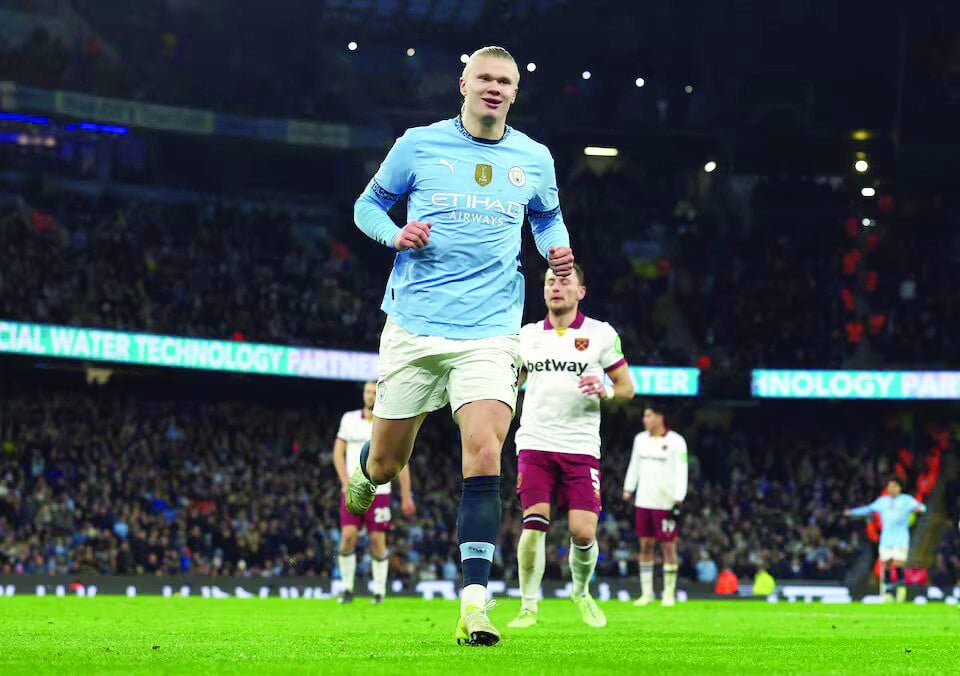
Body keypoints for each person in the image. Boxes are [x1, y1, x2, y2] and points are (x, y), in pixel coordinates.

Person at [348, 45, 574, 646]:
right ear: (463, 84)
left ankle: (475, 602)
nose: (494, 88)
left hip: (492, 332)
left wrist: (557, 247)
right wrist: (395, 234)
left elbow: (547, 218)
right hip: (415, 329)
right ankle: (367, 473)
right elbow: (366, 206)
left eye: (505, 81)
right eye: (485, 78)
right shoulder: (418, 144)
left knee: (484, 453)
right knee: (387, 462)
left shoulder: (535, 157)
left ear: (515, 92)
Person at [506, 265, 634, 629]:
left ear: (581, 291)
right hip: (535, 442)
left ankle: (581, 592)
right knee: (534, 523)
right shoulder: (527, 336)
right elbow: (513, 383)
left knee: (583, 531)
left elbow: (627, 388)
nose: (555, 287)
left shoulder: (601, 334)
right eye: (549, 282)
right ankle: (528, 606)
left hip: (580, 446)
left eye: (564, 281)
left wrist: (605, 390)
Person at [332, 380, 415, 604]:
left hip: (379, 492)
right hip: (351, 490)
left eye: (374, 392)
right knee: (347, 537)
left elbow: (400, 461)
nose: (369, 395)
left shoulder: (387, 423)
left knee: (378, 541)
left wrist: (406, 494)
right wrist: (346, 482)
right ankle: (347, 589)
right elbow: (338, 453)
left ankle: (379, 591)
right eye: (367, 391)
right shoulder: (349, 419)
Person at [622, 404, 688, 607]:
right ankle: (647, 593)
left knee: (668, 546)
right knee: (645, 545)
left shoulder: (676, 441)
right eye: (644, 416)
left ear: (660, 417)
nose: (645, 419)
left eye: (648, 416)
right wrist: (628, 488)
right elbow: (634, 464)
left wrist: (679, 497)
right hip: (644, 501)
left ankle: (669, 593)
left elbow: (682, 469)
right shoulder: (640, 440)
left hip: (666, 502)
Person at [844, 476, 926, 602]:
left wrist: (919, 509)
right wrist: (852, 512)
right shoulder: (882, 501)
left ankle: (900, 590)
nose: (892, 488)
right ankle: (888, 591)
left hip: (901, 538)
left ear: (900, 488)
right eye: (890, 486)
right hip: (886, 539)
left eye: (895, 486)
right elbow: (868, 509)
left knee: (899, 563)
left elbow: (922, 507)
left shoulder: (906, 500)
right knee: (886, 565)